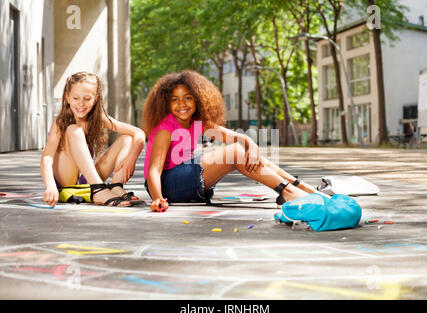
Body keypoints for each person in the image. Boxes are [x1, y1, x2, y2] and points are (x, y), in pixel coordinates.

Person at [142, 70, 318, 212]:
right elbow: (153, 171)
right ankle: (287, 191)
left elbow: (239, 137)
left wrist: (252, 146)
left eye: (188, 97)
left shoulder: (198, 122)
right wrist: (157, 197)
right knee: (234, 152)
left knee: (245, 152)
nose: (182, 104)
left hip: (183, 177)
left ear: (197, 99)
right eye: (174, 99)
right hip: (165, 186)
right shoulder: (165, 130)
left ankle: (301, 187)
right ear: (166, 103)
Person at [40, 71, 146, 207]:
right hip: (66, 180)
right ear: (67, 97)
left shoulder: (98, 118)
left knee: (127, 138)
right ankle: (99, 190)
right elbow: (46, 157)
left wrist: (131, 158)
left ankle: (116, 186)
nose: (81, 104)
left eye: (87, 98)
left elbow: (138, 133)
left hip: (87, 179)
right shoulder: (60, 122)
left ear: (95, 99)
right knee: (74, 130)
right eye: (76, 98)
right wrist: (50, 186)